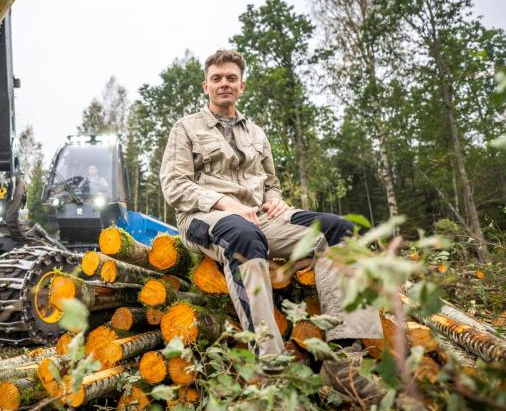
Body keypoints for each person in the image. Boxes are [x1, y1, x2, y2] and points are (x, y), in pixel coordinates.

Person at [160, 49, 383, 402]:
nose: (224, 84)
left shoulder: (257, 133)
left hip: (262, 216)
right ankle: (271, 367)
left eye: (231, 78)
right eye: (217, 78)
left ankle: (344, 356)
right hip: (205, 216)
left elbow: (271, 182)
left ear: (242, 85)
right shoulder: (186, 128)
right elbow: (174, 185)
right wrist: (225, 202)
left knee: (340, 230)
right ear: (206, 86)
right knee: (244, 236)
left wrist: (276, 199)